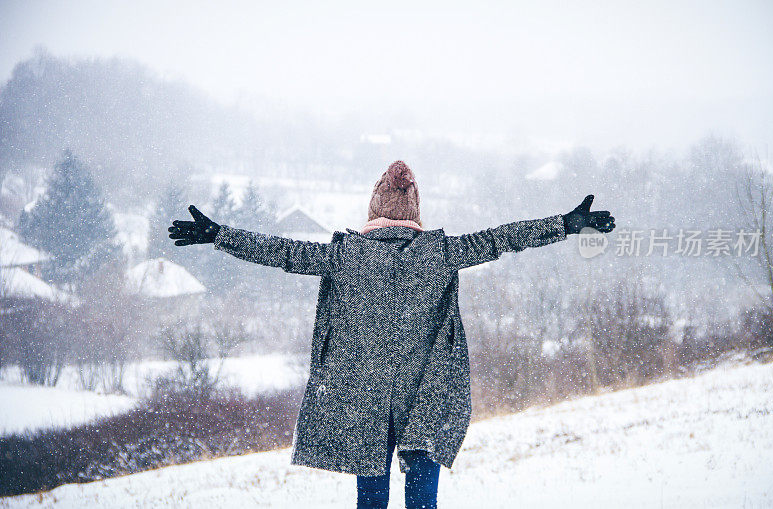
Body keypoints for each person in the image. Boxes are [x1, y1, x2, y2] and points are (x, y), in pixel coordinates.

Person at [169, 160, 614, 509]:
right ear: (414, 214)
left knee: (371, 502)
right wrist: (565, 224)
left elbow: (281, 252)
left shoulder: (345, 256)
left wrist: (218, 235)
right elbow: (504, 239)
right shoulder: (441, 252)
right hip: (425, 398)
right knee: (423, 504)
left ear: (373, 212)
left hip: (365, 399)